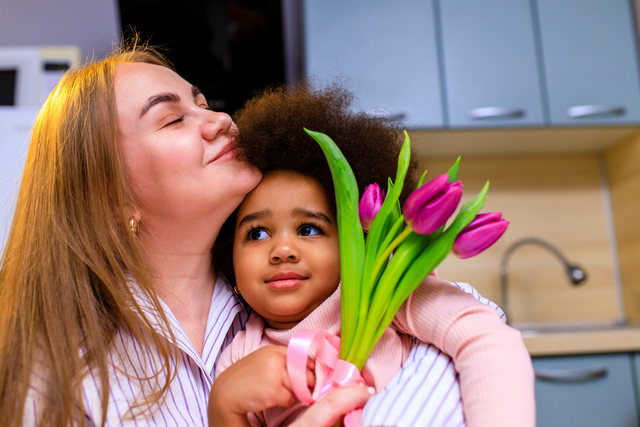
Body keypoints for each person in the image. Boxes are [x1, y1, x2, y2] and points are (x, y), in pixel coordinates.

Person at [0, 41, 532, 427]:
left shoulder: (329, 291)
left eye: (202, 103)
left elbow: (482, 336)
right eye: (171, 120)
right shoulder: (59, 376)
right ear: (111, 197)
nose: (220, 121)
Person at [211, 84, 535, 426]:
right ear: (227, 254)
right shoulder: (237, 358)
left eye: (308, 229)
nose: (282, 251)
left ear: (354, 241)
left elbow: (485, 339)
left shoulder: (386, 293)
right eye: (256, 233)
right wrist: (224, 406)